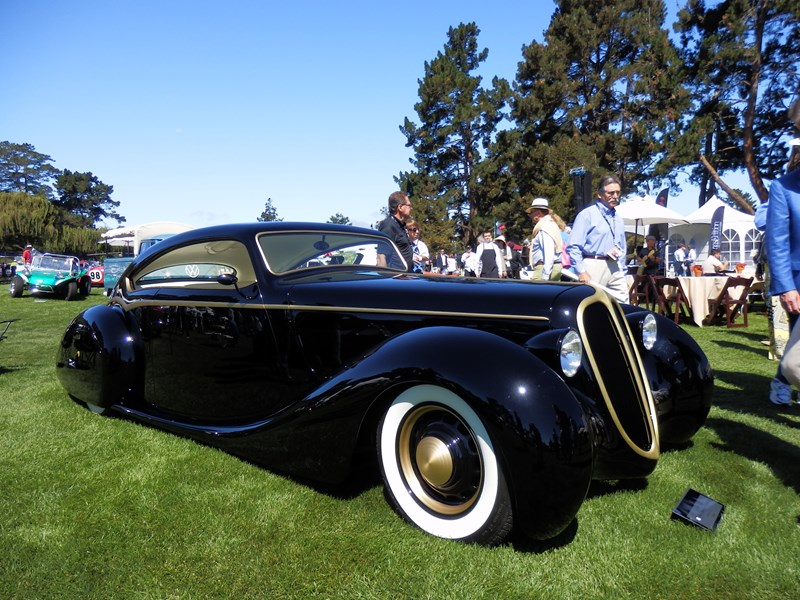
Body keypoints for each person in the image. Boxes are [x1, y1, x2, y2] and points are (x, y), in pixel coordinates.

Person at [765, 97, 800, 406]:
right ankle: (782, 381)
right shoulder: (784, 188)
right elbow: (776, 241)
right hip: (797, 283)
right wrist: (786, 286)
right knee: (794, 350)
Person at [566, 174, 629, 303]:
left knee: (623, 303)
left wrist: (623, 272)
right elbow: (573, 246)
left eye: (618, 192)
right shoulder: (586, 215)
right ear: (599, 194)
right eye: (611, 193)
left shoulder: (618, 218)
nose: (615, 196)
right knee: (593, 304)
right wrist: (581, 271)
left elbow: (622, 246)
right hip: (593, 264)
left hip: (615, 266)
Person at [526, 197, 563, 280]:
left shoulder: (544, 227)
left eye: (532, 212)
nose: (530, 215)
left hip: (545, 268)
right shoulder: (551, 225)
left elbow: (548, 251)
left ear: (538, 213)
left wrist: (545, 276)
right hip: (552, 267)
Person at [377, 191, 414, 271]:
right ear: (400, 207)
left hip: (406, 277)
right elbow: (381, 257)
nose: (411, 208)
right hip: (396, 279)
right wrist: (385, 281)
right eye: (409, 206)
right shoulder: (388, 225)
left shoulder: (400, 225)